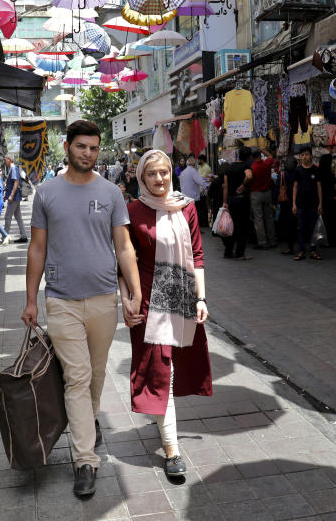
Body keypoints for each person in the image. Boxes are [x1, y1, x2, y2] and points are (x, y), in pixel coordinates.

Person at [21, 120, 142, 498]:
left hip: (104, 298)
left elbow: (123, 247)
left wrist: (133, 293)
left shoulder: (111, 193)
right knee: (77, 377)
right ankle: (85, 460)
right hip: (61, 300)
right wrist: (30, 299)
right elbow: (37, 248)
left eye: (93, 147)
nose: (87, 153)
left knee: (96, 374)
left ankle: (87, 420)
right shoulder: (47, 193)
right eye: (81, 147)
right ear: (67, 147)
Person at [120, 149, 211, 480]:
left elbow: (197, 254)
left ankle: (162, 422)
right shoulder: (131, 211)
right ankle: (172, 449)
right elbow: (123, 261)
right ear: (141, 178)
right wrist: (125, 300)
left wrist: (201, 298)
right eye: (151, 174)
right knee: (161, 374)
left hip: (182, 299)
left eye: (163, 172)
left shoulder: (186, 206)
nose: (159, 179)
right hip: (147, 304)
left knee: (170, 370)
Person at [292, 147, 323, 261]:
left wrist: (320, 204)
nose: (304, 157)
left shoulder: (315, 170)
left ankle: (313, 250)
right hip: (300, 204)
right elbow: (295, 188)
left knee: (313, 228)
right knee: (301, 228)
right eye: (302, 155)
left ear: (311, 156)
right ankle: (301, 251)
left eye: (306, 154)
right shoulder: (298, 170)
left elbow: (319, 187)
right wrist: (294, 204)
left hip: (313, 204)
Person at [221, 147, 252, 260]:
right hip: (242, 200)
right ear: (248, 157)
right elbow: (249, 176)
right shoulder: (246, 166)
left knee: (232, 226)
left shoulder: (230, 168)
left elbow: (225, 187)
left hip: (232, 200)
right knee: (243, 227)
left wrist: (225, 202)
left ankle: (228, 252)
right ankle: (240, 253)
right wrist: (244, 185)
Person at [245, 147, 277, 249]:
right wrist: (263, 150)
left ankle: (262, 242)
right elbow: (271, 156)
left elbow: (249, 180)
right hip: (267, 193)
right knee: (269, 217)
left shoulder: (253, 167)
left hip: (256, 194)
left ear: (252, 157)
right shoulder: (267, 163)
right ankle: (272, 240)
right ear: (260, 155)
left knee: (258, 219)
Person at [2, 156, 28, 243]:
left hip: (14, 197)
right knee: (18, 217)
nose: (4, 161)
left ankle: (5, 237)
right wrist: (7, 195)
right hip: (16, 197)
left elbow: (16, 182)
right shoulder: (13, 168)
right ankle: (23, 235)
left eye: (5, 159)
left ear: (9, 160)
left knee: (7, 217)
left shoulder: (13, 168)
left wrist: (11, 195)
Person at [277, 156, 298, 255]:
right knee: (293, 222)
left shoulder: (282, 174)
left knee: (285, 221)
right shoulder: (297, 173)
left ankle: (288, 244)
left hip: (284, 201)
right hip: (295, 201)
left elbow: (277, 188)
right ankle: (292, 243)